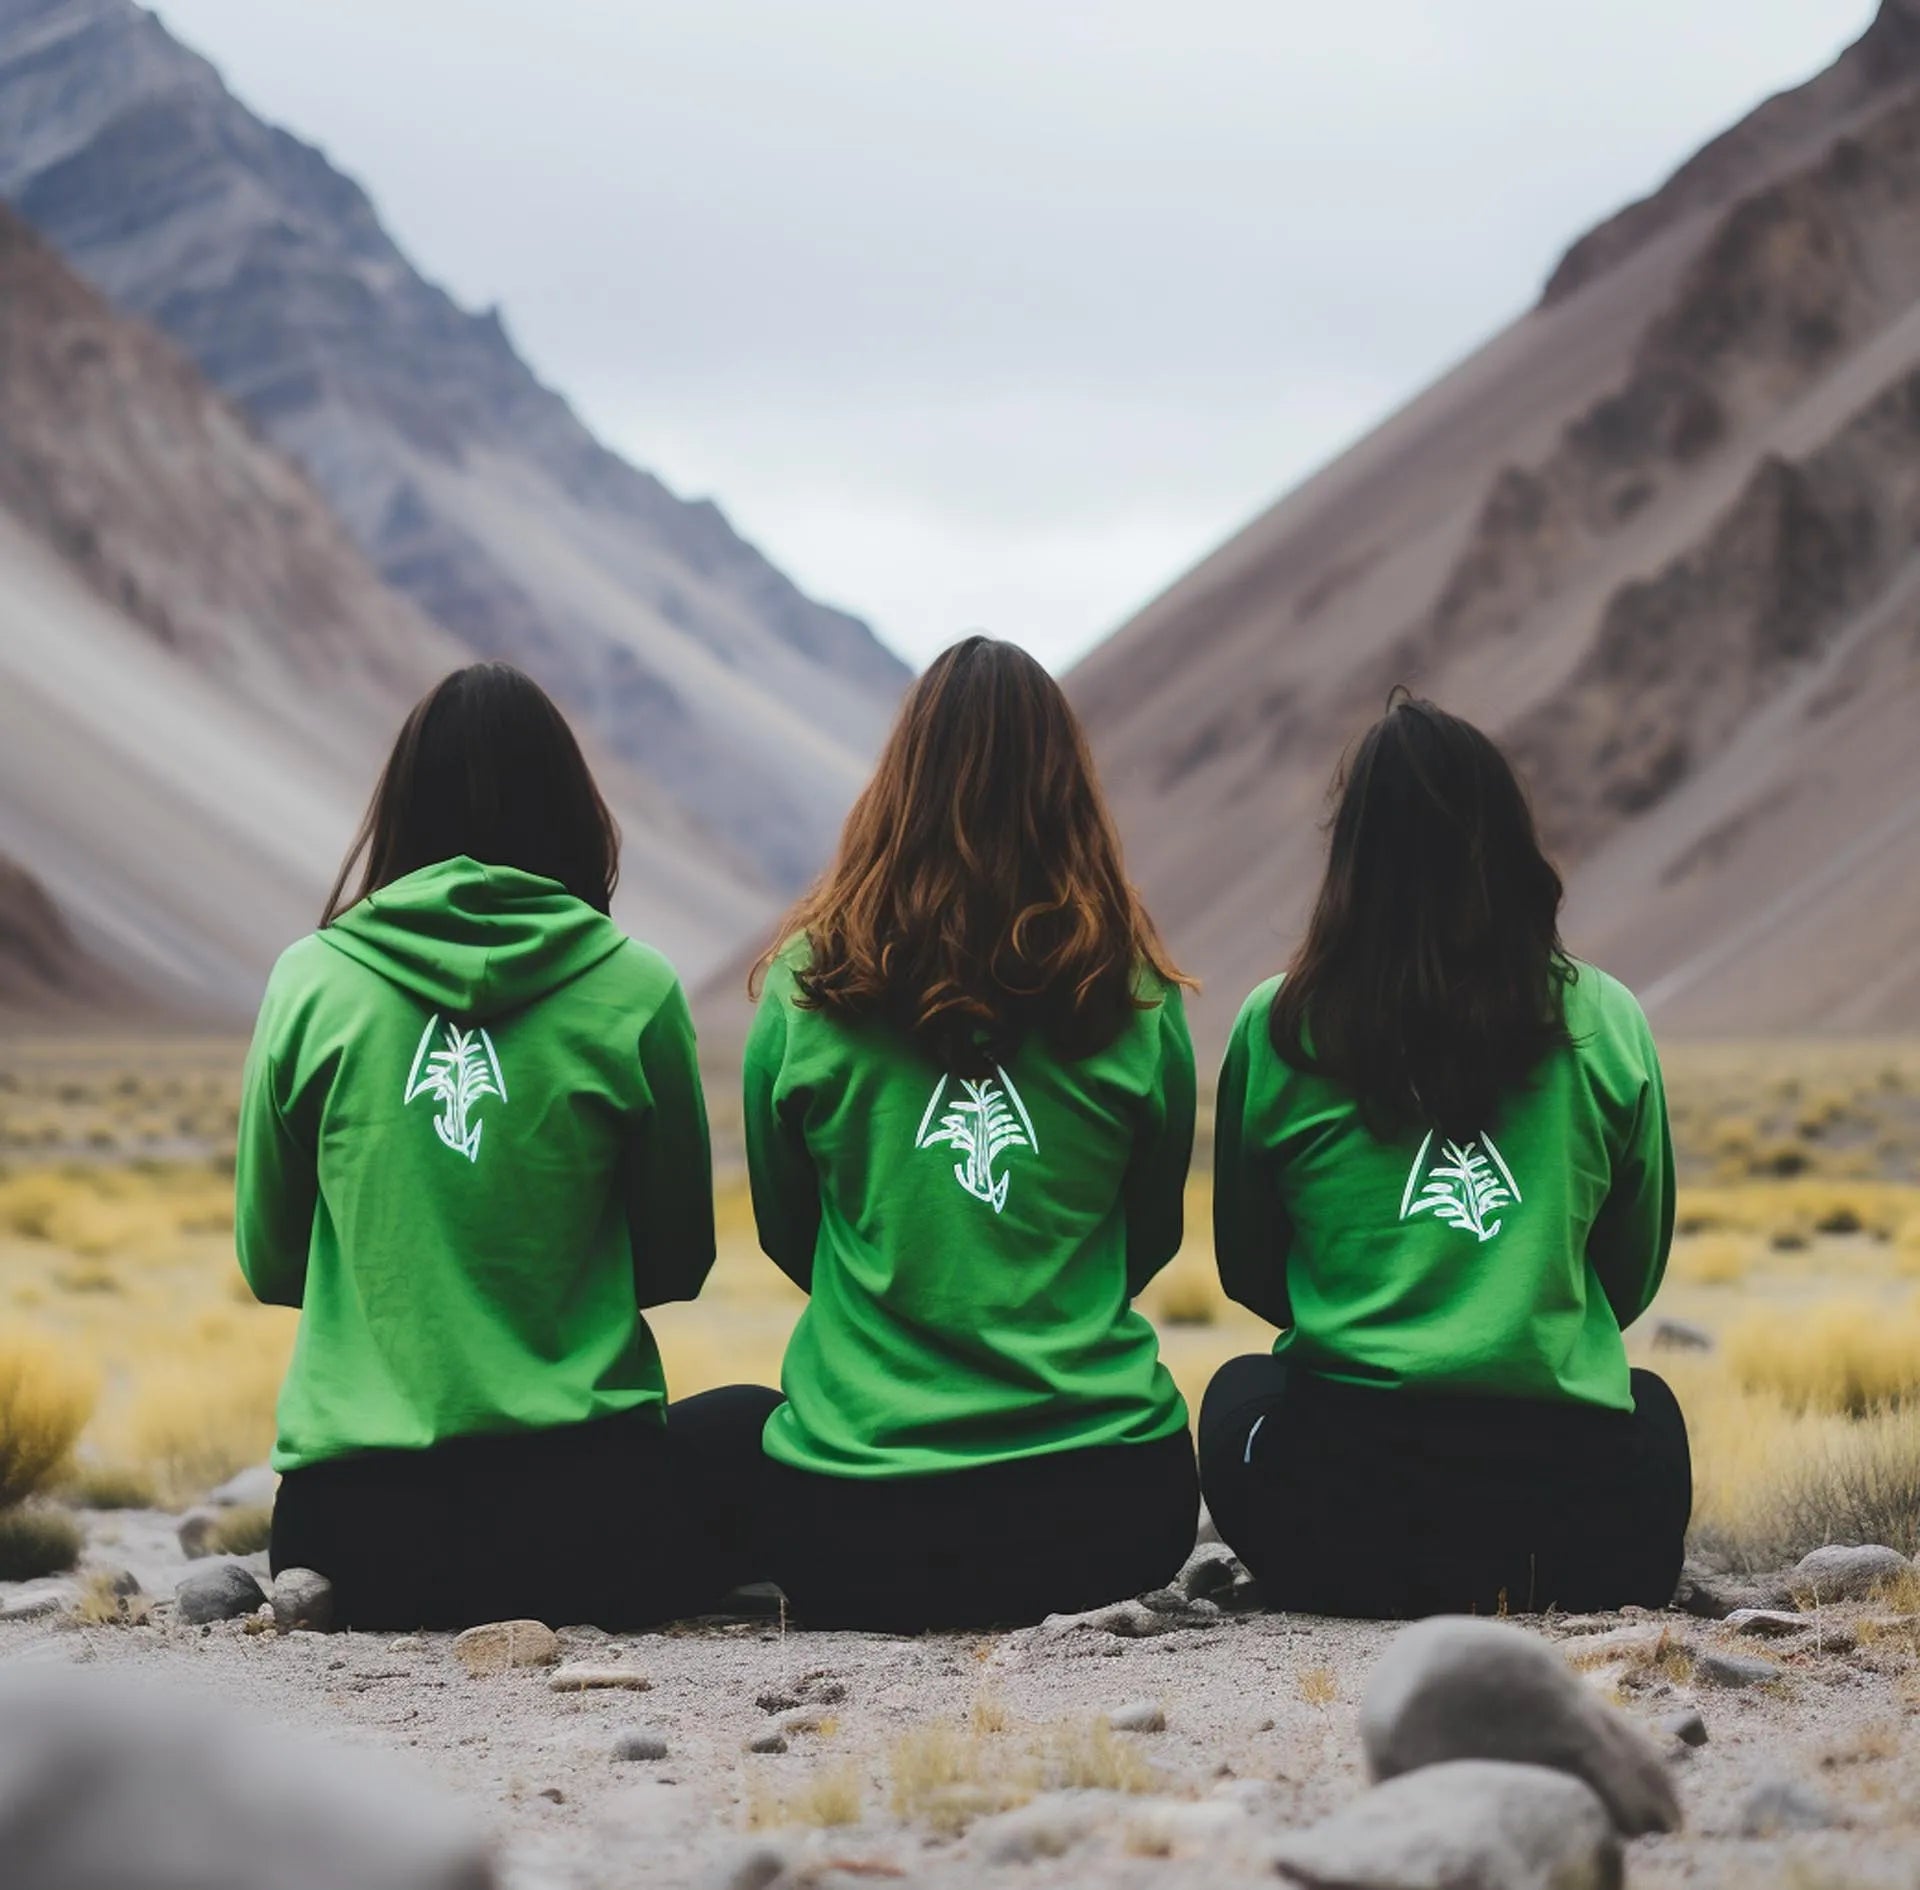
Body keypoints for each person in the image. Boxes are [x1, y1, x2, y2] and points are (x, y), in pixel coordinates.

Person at [699, 636, 1201, 1632]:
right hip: (1108, 1515)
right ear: (1071, 796)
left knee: (729, 1435)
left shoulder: (806, 986)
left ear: (898, 788)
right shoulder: (1137, 995)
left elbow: (791, 1232)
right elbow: (1146, 1238)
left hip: (857, 1529)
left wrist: (907, 1289)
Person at [237, 662, 734, 1630]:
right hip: (587, 1524)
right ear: (574, 811)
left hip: (356, 1533)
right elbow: (677, 1261)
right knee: (757, 1424)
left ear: (400, 810)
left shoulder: (310, 979)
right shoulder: (635, 987)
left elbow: (269, 1262)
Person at [1201, 695, 1691, 1618]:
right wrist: (1512, 1315)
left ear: (1351, 857)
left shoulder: (1281, 1026)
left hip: (1346, 1518)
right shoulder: (1609, 1018)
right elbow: (1629, 1271)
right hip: (1577, 1529)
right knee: (1650, 1409)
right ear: (1510, 848)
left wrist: (1379, 1311)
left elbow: (1251, 1265)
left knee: (1242, 1390)